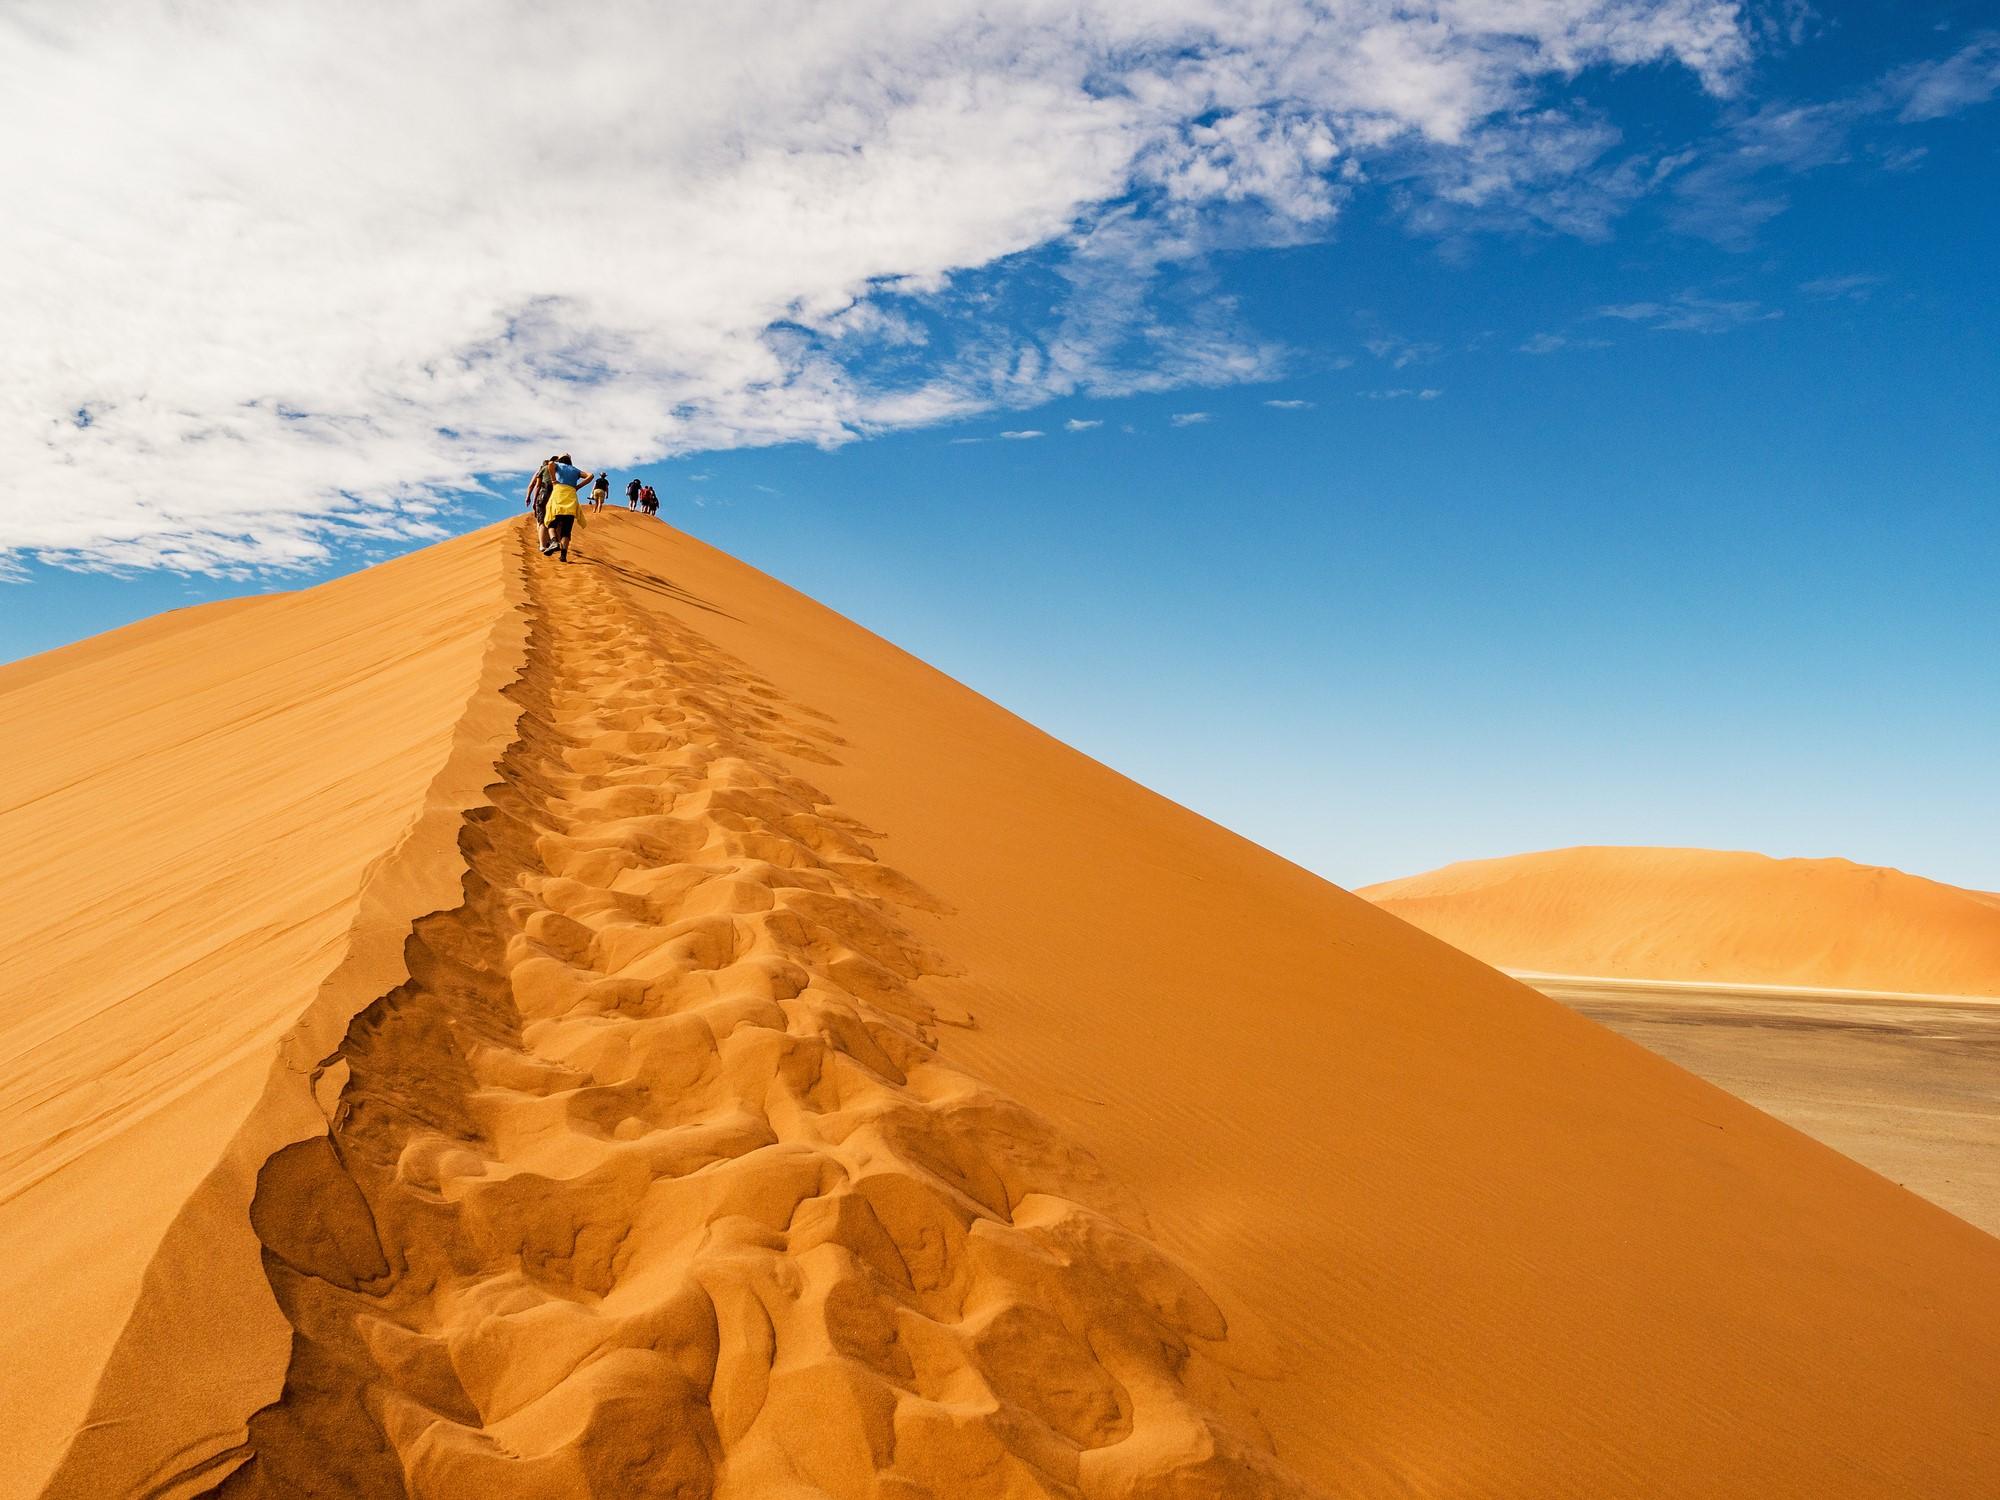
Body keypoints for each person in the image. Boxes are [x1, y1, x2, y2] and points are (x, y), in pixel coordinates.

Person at [541, 453, 591, 562]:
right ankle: (563, 555)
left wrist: (554, 480)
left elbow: (550, 464)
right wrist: (577, 487)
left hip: (558, 497)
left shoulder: (558, 465)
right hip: (571, 500)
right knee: (566, 531)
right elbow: (590, 475)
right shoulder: (575, 470)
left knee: (552, 524)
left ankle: (554, 541)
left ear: (560, 459)